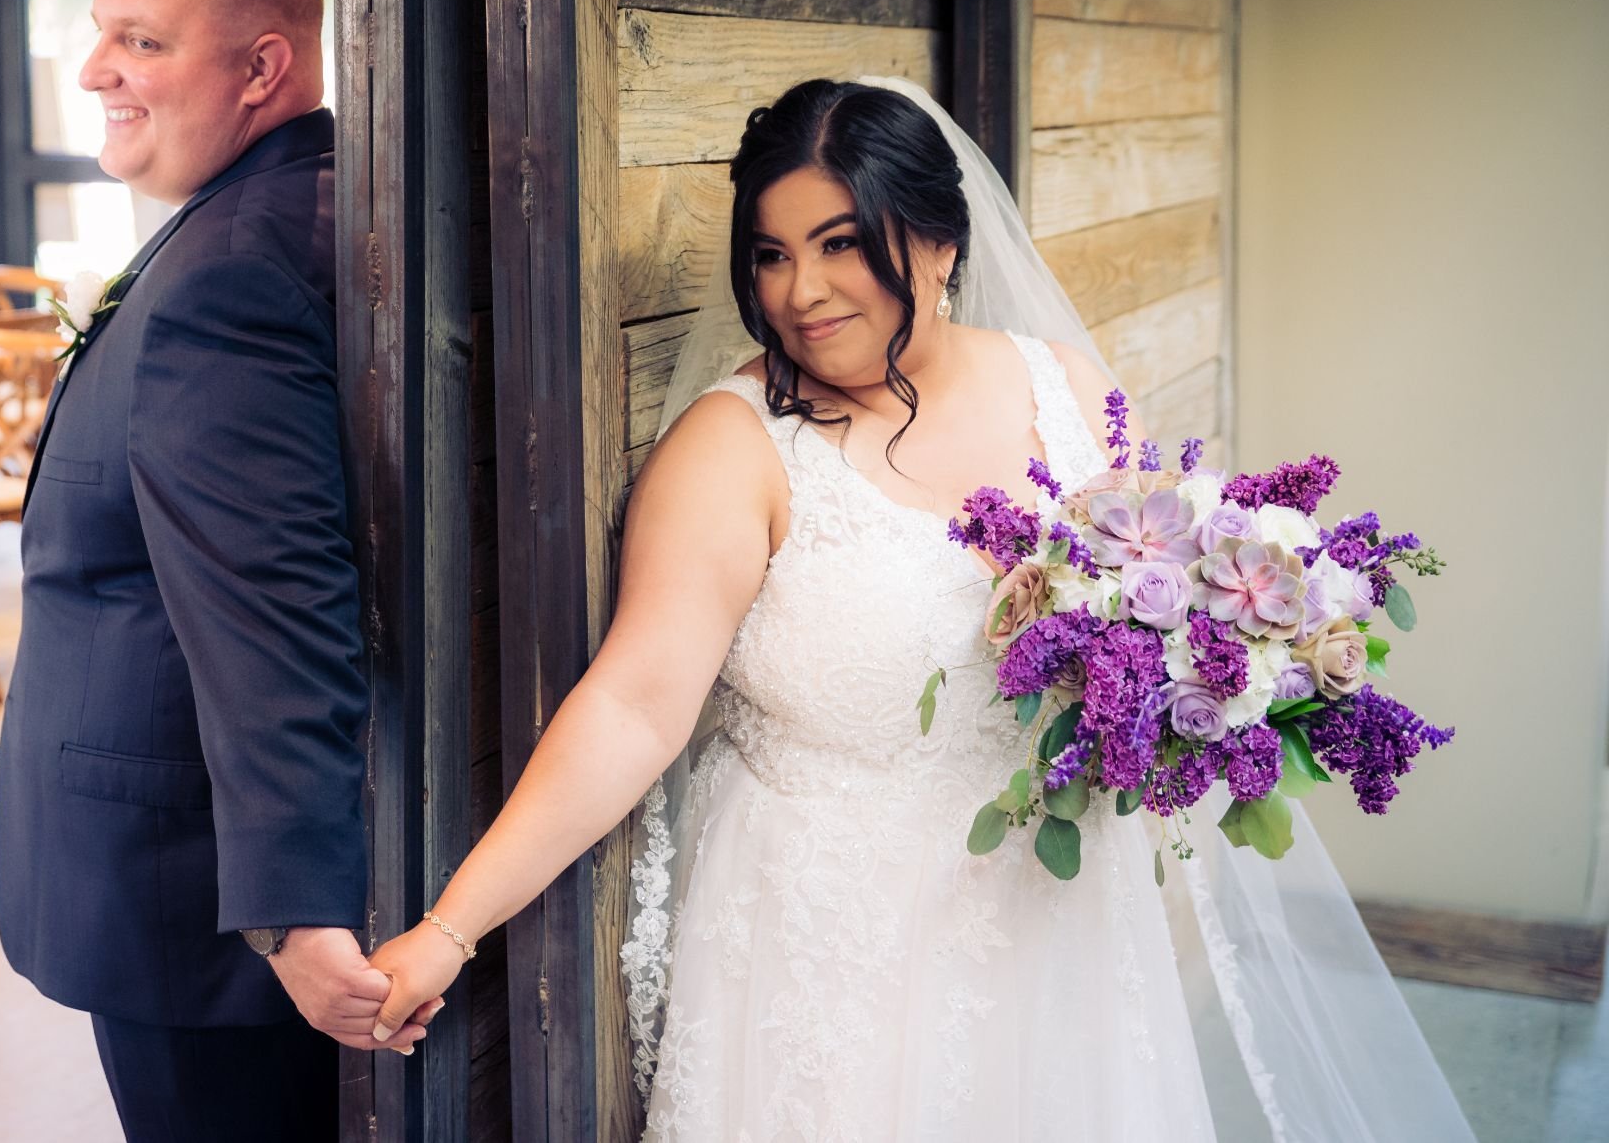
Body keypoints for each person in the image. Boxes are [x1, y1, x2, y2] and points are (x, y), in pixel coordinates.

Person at [364, 78, 1474, 1139]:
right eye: (771, 254)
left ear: (939, 244)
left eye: (840, 243)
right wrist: (449, 929)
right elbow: (634, 706)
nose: (801, 292)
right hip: (833, 967)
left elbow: (1153, 619)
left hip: (1058, 930)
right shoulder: (735, 450)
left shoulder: (1066, 392)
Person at [0, 0, 429, 1142]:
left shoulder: (234, 266)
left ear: (260, 68)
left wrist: (291, 912)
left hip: (191, 907)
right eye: (101, 32)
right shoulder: (278, 212)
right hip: (183, 884)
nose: (95, 69)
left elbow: (272, 600)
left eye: (140, 40)